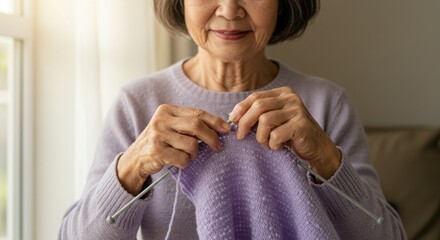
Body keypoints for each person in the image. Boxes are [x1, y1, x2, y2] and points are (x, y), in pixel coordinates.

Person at [59, 0, 407, 239]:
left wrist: (327, 160)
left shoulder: (326, 103)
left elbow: (388, 235)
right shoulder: (136, 104)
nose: (229, 10)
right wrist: (132, 168)